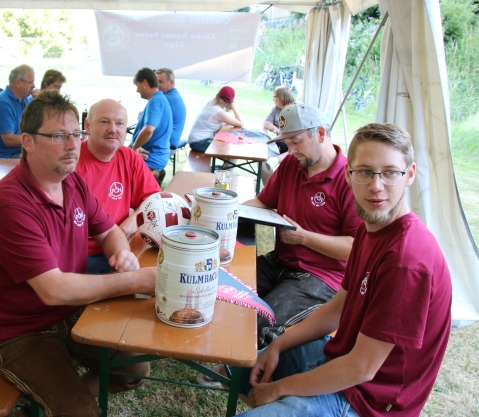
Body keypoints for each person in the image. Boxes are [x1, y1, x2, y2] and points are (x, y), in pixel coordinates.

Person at [236, 123, 451, 417]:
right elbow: (338, 307)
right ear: (349, 174)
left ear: (410, 174)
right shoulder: (371, 229)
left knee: (264, 383)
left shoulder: (407, 261)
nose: (376, 186)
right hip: (340, 360)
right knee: (239, 367)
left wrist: (279, 389)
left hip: (367, 402)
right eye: (365, 172)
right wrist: (277, 346)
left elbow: (362, 368)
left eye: (390, 172)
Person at [0, 90, 156, 416]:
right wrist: (136, 281)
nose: (72, 145)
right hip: (16, 331)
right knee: (80, 411)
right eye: (58, 136)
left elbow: (108, 230)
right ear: (28, 141)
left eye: (75, 134)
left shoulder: (72, 183)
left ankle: (57, 403)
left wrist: (121, 252)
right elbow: (53, 290)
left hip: (66, 313)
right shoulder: (9, 204)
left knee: (134, 371)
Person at [242, 103, 360, 349]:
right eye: (287, 143)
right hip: (281, 261)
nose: (291, 150)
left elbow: (354, 248)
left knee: (260, 322)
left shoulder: (350, 179)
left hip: (322, 276)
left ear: (320, 133)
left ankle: (236, 368)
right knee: (228, 289)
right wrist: (228, 209)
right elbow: (263, 202)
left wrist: (303, 237)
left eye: (296, 142)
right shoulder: (291, 164)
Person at [77, 98, 161, 274]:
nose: (113, 129)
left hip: (120, 246)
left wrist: (134, 220)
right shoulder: (72, 161)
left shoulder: (130, 158)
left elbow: (155, 199)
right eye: (104, 122)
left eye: (120, 123)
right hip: (81, 255)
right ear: (88, 126)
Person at [130, 67, 172, 185]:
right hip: (155, 155)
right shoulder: (159, 99)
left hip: (151, 157)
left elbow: (149, 129)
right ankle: (155, 174)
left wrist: (134, 148)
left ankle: (153, 173)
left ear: (144, 82)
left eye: (137, 85)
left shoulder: (155, 101)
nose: (137, 90)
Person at [0, 64, 35, 158]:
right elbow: (9, 140)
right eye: (31, 82)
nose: (34, 86)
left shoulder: (24, 100)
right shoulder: (1, 103)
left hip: (20, 151)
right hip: (4, 156)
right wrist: (37, 140)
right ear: (18, 82)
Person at [187, 86, 243, 152]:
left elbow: (227, 121)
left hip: (196, 140)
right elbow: (240, 123)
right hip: (199, 142)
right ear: (230, 102)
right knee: (227, 148)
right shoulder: (218, 111)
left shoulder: (212, 103)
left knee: (226, 143)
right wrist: (233, 107)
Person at [155, 68, 186, 151]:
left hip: (165, 145)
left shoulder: (165, 99)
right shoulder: (174, 95)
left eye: (161, 82)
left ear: (171, 82)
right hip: (169, 143)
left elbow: (151, 124)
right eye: (156, 82)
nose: (157, 85)